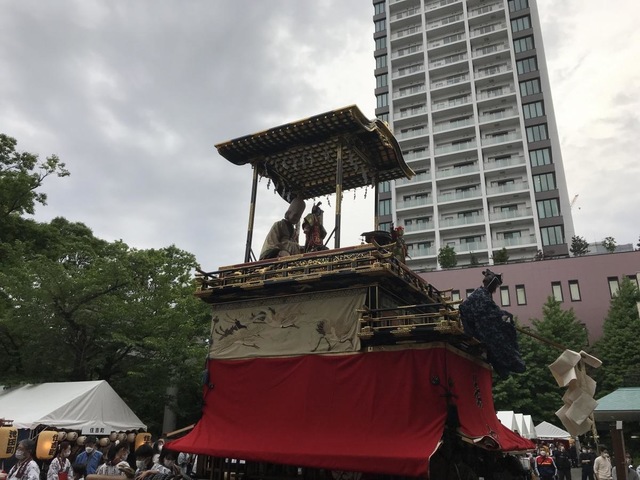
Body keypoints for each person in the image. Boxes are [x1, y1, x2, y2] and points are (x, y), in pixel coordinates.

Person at [458, 269, 526, 377]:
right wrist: (505, 318)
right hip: (474, 327)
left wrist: (505, 317)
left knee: (505, 325)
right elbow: (490, 314)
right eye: (495, 286)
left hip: (478, 323)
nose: (495, 288)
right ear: (491, 284)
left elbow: (493, 312)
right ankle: (509, 360)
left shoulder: (484, 294)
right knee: (500, 333)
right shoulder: (481, 295)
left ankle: (507, 361)